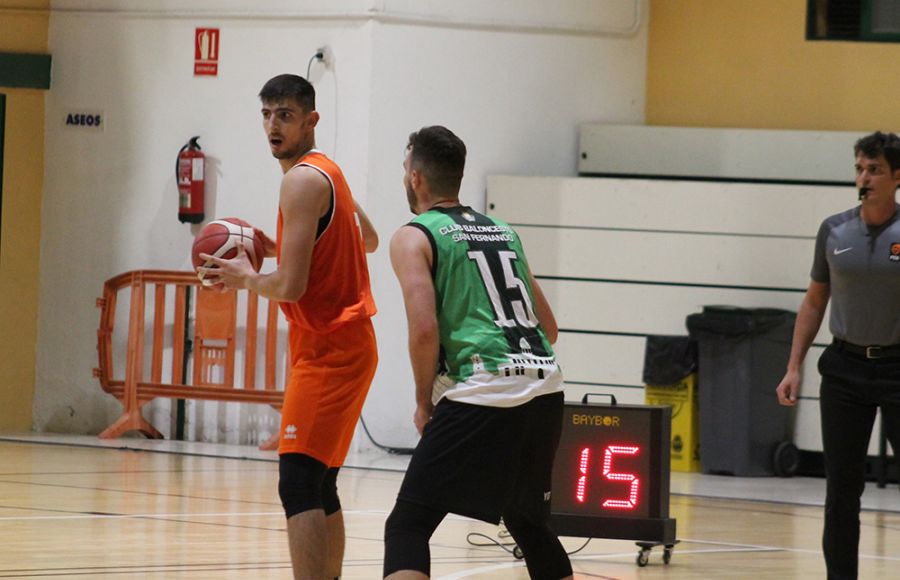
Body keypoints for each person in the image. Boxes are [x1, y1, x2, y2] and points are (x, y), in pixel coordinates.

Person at [198, 73, 378, 580]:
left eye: (285, 115)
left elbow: (291, 288)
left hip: (331, 348)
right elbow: (365, 238)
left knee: (297, 481)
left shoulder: (299, 180)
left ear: (311, 120)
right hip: (343, 343)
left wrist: (245, 277)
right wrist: (282, 244)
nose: (273, 126)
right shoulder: (328, 172)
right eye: (266, 115)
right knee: (320, 484)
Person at [384, 125, 573, 580]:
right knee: (529, 522)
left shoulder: (414, 236)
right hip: (545, 386)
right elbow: (548, 326)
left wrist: (422, 399)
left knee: (407, 525)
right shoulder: (503, 231)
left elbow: (425, 329)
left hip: (483, 391)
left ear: (415, 177)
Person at [776, 131, 900, 580]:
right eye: (859, 168)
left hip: (896, 368)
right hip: (845, 370)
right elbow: (814, 302)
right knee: (842, 492)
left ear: (896, 176)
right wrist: (794, 367)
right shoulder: (833, 230)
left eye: (875, 169)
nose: (864, 178)